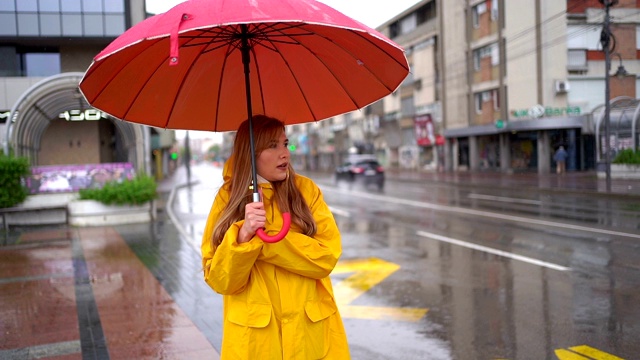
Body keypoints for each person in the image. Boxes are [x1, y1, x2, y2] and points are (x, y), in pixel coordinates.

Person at [201, 115, 350, 359]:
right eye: (273, 145)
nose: (285, 153)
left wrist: (266, 241)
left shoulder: (305, 191)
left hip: (309, 337)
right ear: (250, 152)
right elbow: (220, 281)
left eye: (285, 143)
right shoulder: (227, 200)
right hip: (256, 343)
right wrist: (243, 237)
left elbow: (326, 257)